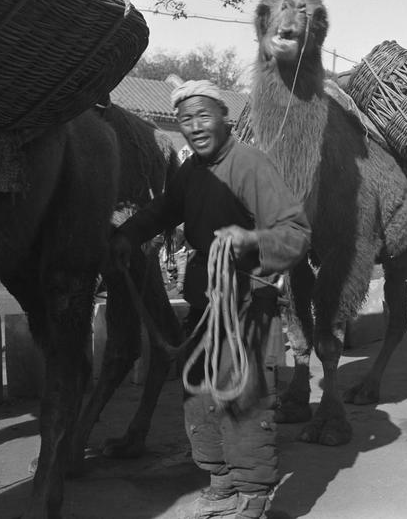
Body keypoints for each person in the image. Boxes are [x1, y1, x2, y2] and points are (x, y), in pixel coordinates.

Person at [110, 80, 310, 519]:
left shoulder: (251, 164)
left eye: (203, 116)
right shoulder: (192, 171)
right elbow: (166, 209)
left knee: (245, 395)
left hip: (247, 301)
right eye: (186, 119)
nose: (195, 126)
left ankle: (254, 491)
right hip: (205, 302)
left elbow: (296, 233)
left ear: (224, 117)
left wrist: (251, 238)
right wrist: (129, 234)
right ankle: (220, 478)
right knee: (199, 393)